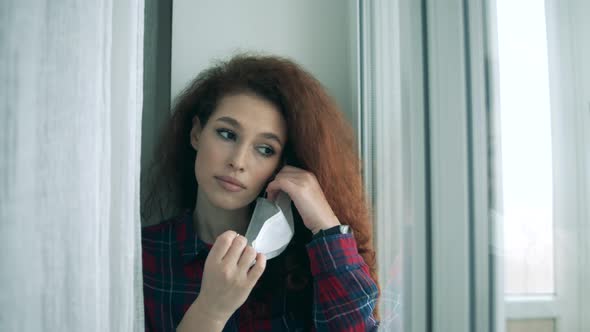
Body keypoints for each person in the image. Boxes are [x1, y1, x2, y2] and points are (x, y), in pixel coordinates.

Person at [141, 54, 380, 331]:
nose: (238, 162)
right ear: (196, 133)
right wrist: (210, 311)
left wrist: (325, 224)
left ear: (282, 165)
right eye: (227, 134)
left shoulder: (303, 264)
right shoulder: (145, 257)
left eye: (265, 149)